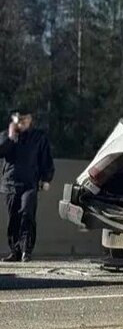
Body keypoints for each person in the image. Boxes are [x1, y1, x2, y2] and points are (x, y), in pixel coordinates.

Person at [0, 108, 55, 263]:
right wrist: (11, 136)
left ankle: (26, 250)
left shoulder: (38, 137)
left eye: (25, 118)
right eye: (19, 118)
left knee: (27, 214)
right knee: (14, 218)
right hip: (10, 184)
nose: (22, 121)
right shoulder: (7, 136)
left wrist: (46, 179)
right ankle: (15, 251)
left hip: (30, 184)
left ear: (30, 119)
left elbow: (46, 159)